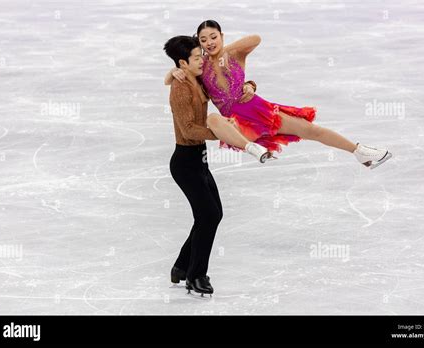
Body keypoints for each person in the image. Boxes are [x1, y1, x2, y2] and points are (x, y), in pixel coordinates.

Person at [165, 20, 392, 169]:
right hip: (236, 122)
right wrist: (173, 71)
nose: (209, 42)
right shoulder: (200, 66)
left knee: (311, 130)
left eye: (213, 36)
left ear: (221, 36)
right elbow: (170, 78)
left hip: (258, 108)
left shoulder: (235, 54)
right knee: (212, 119)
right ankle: (254, 149)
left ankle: (359, 151)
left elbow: (256, 38)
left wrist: (246, 79)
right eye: (203, 40)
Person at [164, 35, 273, 297]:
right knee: (208, 216)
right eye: (196, 57)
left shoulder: (196, 78)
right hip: (185, 162)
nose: (202, 60)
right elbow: (189, 130)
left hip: (199, 160)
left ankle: (181, 266)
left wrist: (250, 84)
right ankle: (196, 275)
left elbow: (225, 87)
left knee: (212, 214)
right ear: (183, 62)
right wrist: (221, 133)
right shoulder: (179, 89)